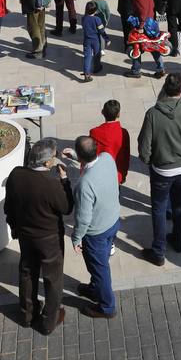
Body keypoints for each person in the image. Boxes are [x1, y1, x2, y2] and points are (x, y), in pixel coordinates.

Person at [4, 138, 74, 334]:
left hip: (26, 236)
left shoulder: (16, 175)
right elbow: (67, 207)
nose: (54, 160)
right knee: (53, 279)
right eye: (53, 157)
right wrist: (65, 181)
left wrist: (15, 227)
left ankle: (27, 315)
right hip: (49, 240)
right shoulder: (51, 184)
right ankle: (48, 321)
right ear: (46, 163)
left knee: (27, 273)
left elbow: (8, 206)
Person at [138, 73, 181, 266]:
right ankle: (178, 239)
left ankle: (158, 251)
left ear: (165, 90)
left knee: (159, 209)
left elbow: (144, 149)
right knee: (179, 204)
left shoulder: (152, 114)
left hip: (161, 171)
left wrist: (151, 160)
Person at [70, 135, 120, 319]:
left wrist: (76, 238)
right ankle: (94, 289)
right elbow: (93, 163)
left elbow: (83, 218)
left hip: (95, 233)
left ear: (81, 156)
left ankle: (107, 307)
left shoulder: (85, 184)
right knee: (100, 264)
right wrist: (76, 157)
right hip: (113, 222)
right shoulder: (107, 158)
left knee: (100, 270)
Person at [127, 0, 163, 78]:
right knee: (153, 46)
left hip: (144, 24)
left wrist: (141, 26)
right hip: (151, 21)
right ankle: (160, 67)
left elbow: (143, 10)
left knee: (136, 45)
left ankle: (136, 70)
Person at [91, 99, 131, 184]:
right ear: (118, 114)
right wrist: (123, 175)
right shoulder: (123, 133)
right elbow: (126, 156)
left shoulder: (94, 132)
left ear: (102, 112)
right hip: (117, 176)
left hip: (100, 175)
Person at [80, 1, 106, 82]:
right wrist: (107, 39)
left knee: (87, 57)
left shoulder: (83, 18)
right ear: (95, 11)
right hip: (96, 41)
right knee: (97, 55)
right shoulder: (97, 19)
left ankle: (87, 74)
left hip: (87, 40)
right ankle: (97, 68)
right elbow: (101, 30)